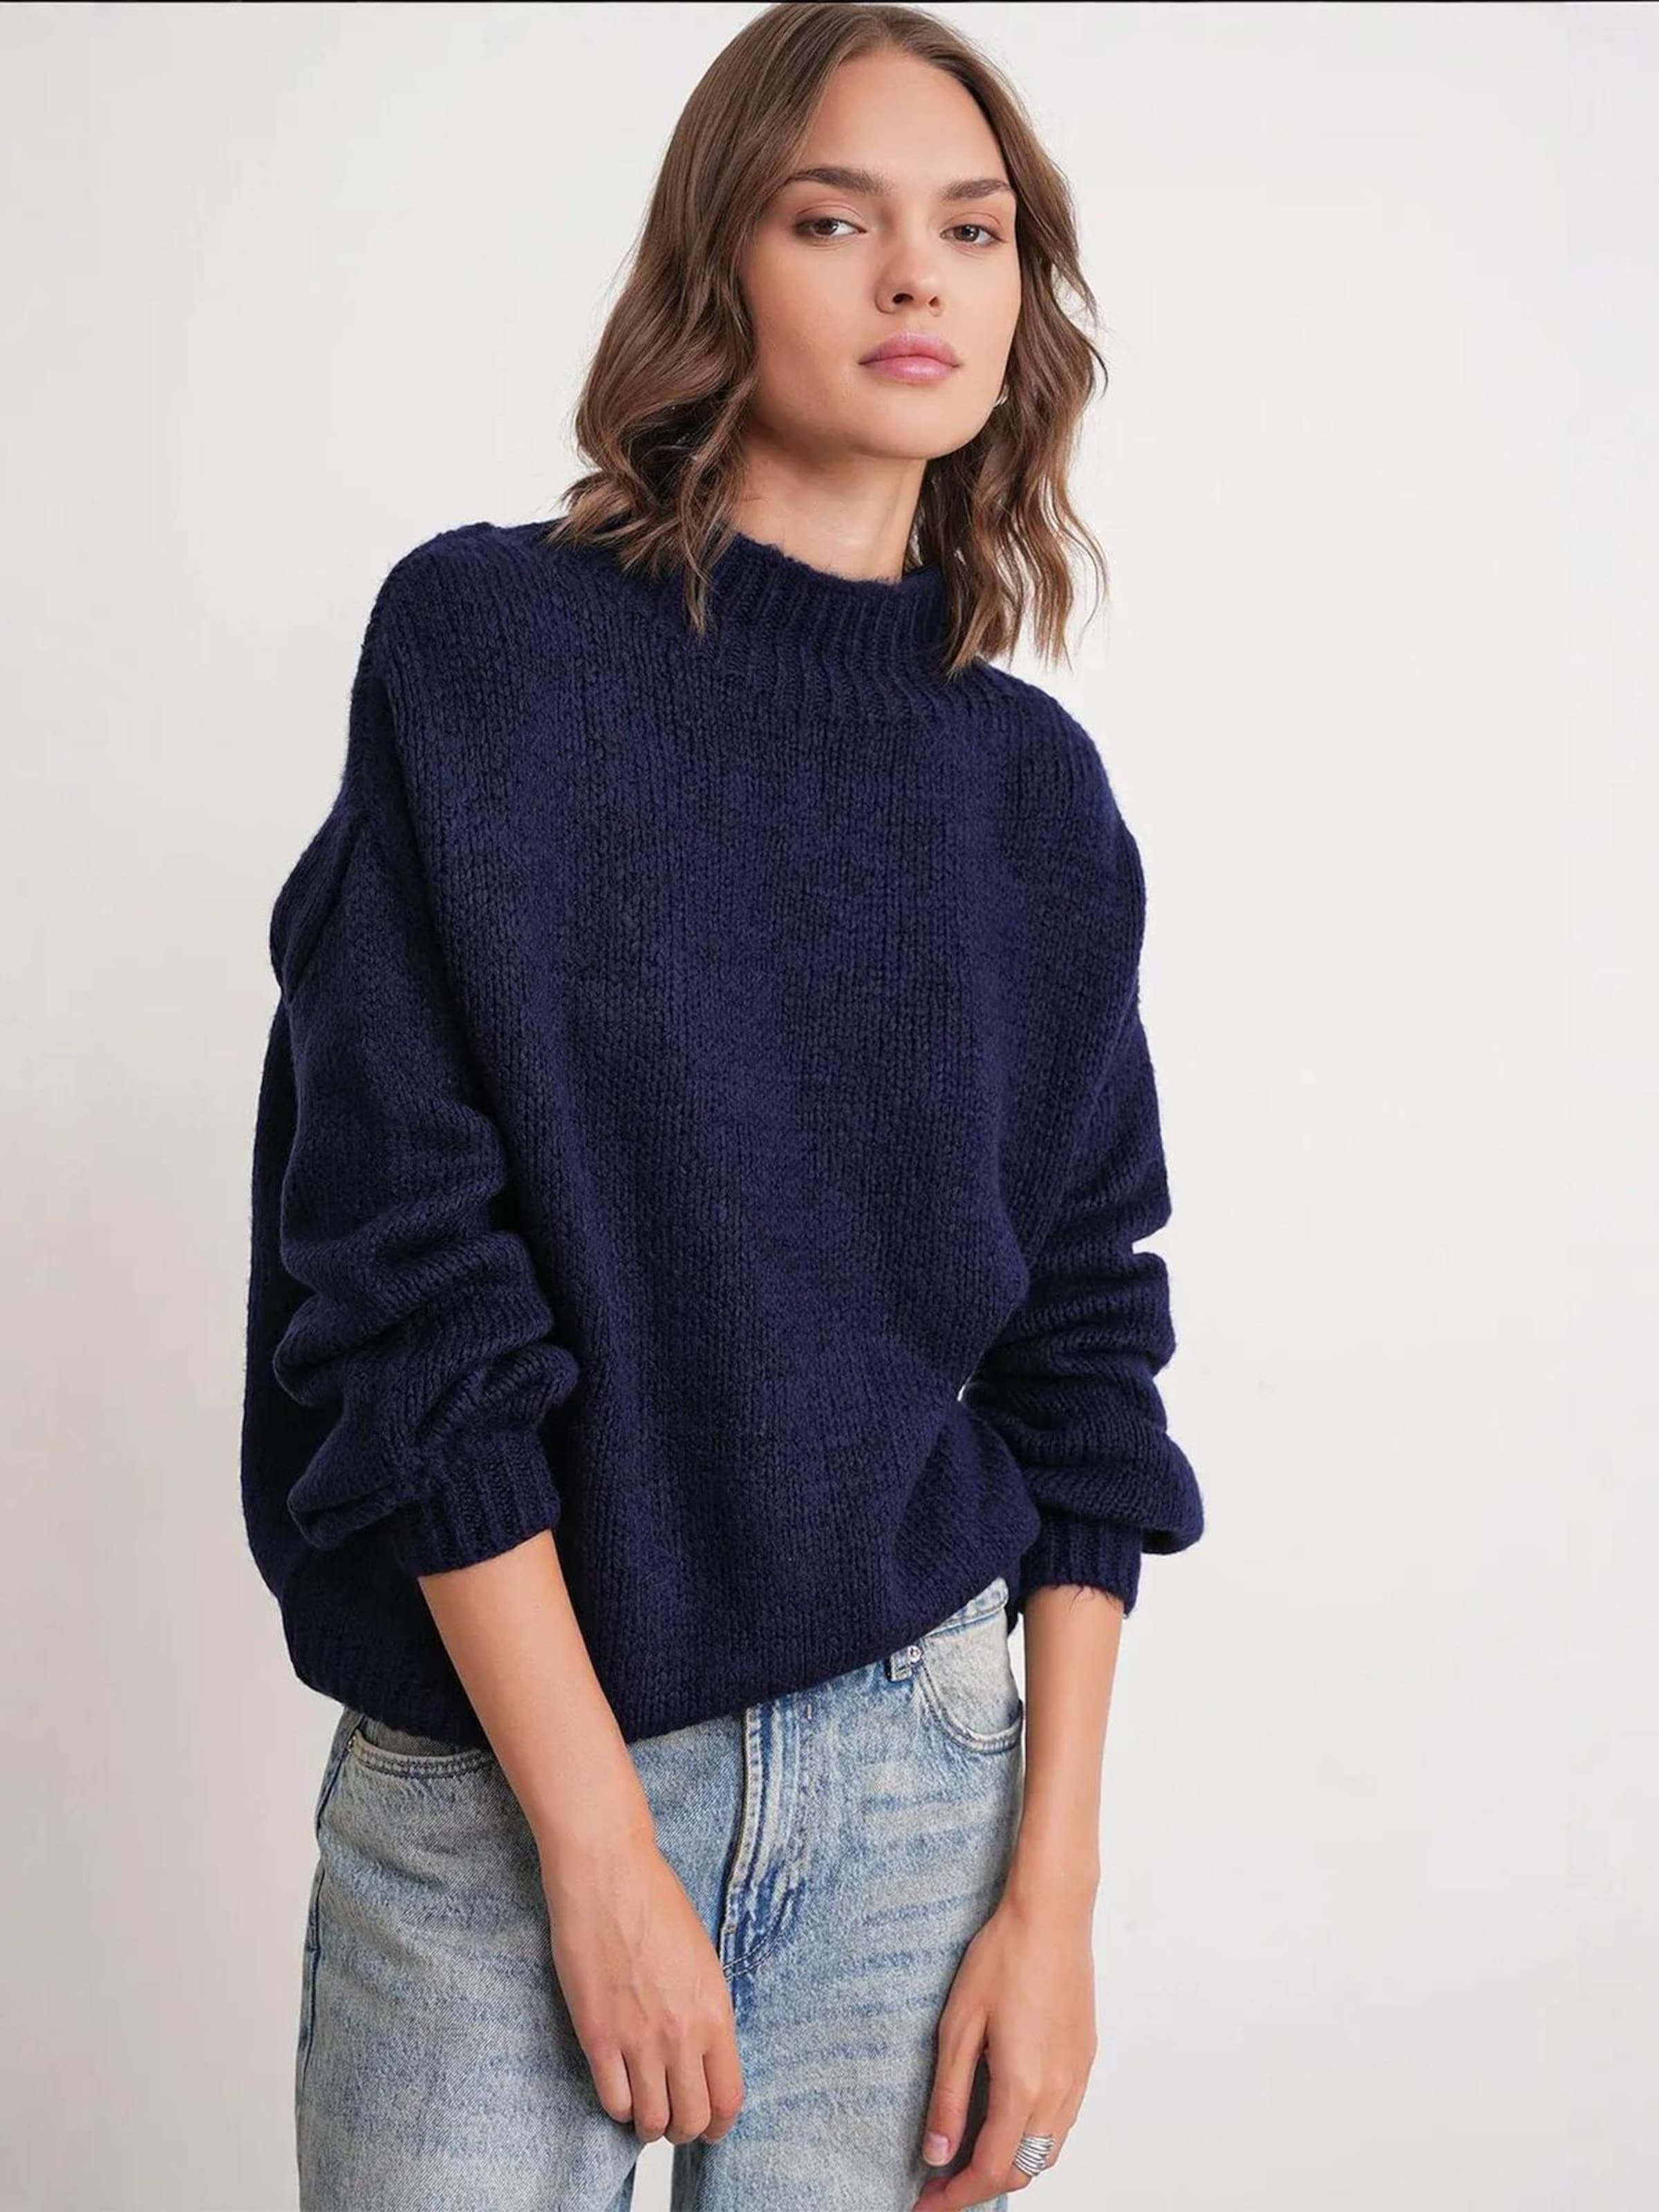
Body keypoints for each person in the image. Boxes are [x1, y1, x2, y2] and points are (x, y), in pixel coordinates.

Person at [239, 6, 1204, 2207]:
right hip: (504, 1783)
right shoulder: (490, 651)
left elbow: (1084, 1348)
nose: (916, 275)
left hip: (919, 1784)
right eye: (833, 219)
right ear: (718, 263)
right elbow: (397, 1274)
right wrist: (594, 1845)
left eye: (973, 230)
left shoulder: (1034, 800)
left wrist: (1050, 1900)